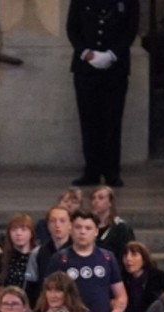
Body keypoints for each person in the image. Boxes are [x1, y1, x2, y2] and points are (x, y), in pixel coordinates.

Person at [66, 0, 137, 186]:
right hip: (86, 69)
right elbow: (72, 28)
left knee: (112, 120)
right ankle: (92, 170)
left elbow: (130, 30)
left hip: (115, 68)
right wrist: (86, 53)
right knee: (89, 120)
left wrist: (112, 54)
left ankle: (112, 171)